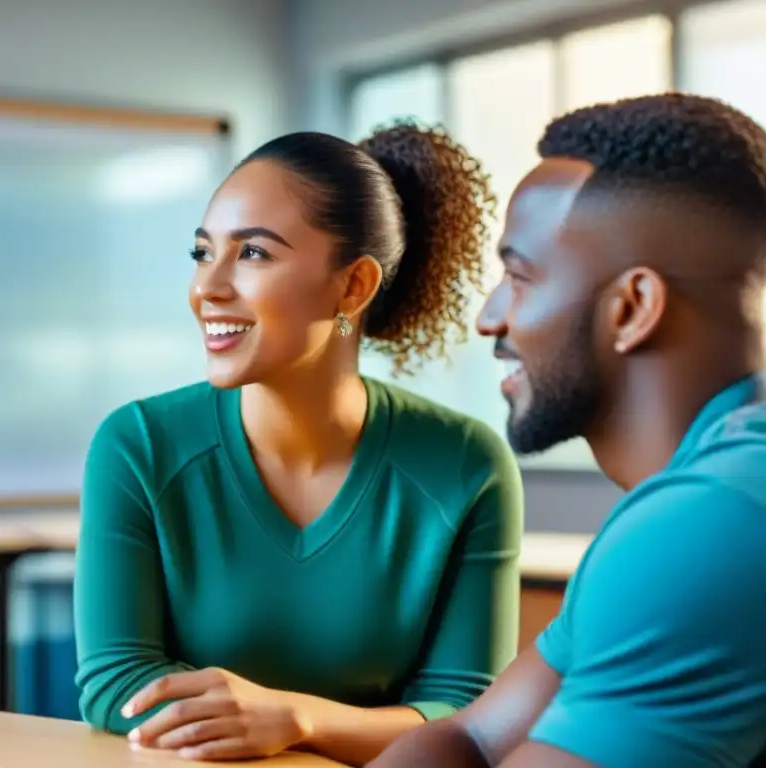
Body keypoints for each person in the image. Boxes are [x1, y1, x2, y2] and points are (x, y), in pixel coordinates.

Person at [74, 123, 524, 766]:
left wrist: (297, 718)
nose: (208, 288)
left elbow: (467, 713)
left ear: (354, 287)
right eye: (203, 253)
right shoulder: (138, 445)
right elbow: (113, 682)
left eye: (253, 254)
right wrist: (321, 726)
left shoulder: (466, 465)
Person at [368, 92, 766, 768]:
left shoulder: (714, 515)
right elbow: (474, 738)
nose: (488, 318)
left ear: (632, 307)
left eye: (519, 278)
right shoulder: (691, 494)